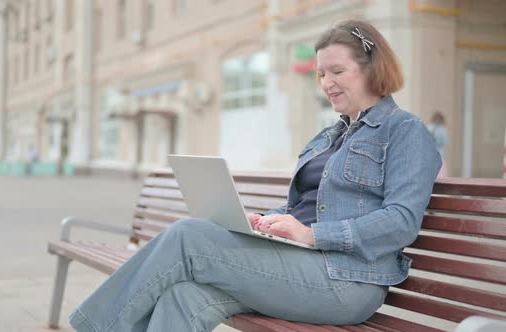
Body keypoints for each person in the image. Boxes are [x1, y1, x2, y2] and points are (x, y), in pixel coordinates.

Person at [69, 20, 442, 331]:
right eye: (321, 73)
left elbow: (402, 221)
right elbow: (306, 206)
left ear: (372, 67)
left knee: (188, 237)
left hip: (348, 281)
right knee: (184, 295)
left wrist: (312, 235)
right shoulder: (329, 136)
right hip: (301, 265)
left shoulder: (404, 131)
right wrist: (265, 221)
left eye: (338, 71)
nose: (327, 82)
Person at [428, 111, 449, 177]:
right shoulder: (431, 127)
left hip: (437, 154)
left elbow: (444, 141)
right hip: (434, 155)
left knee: (438, 172)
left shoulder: (441, 129)